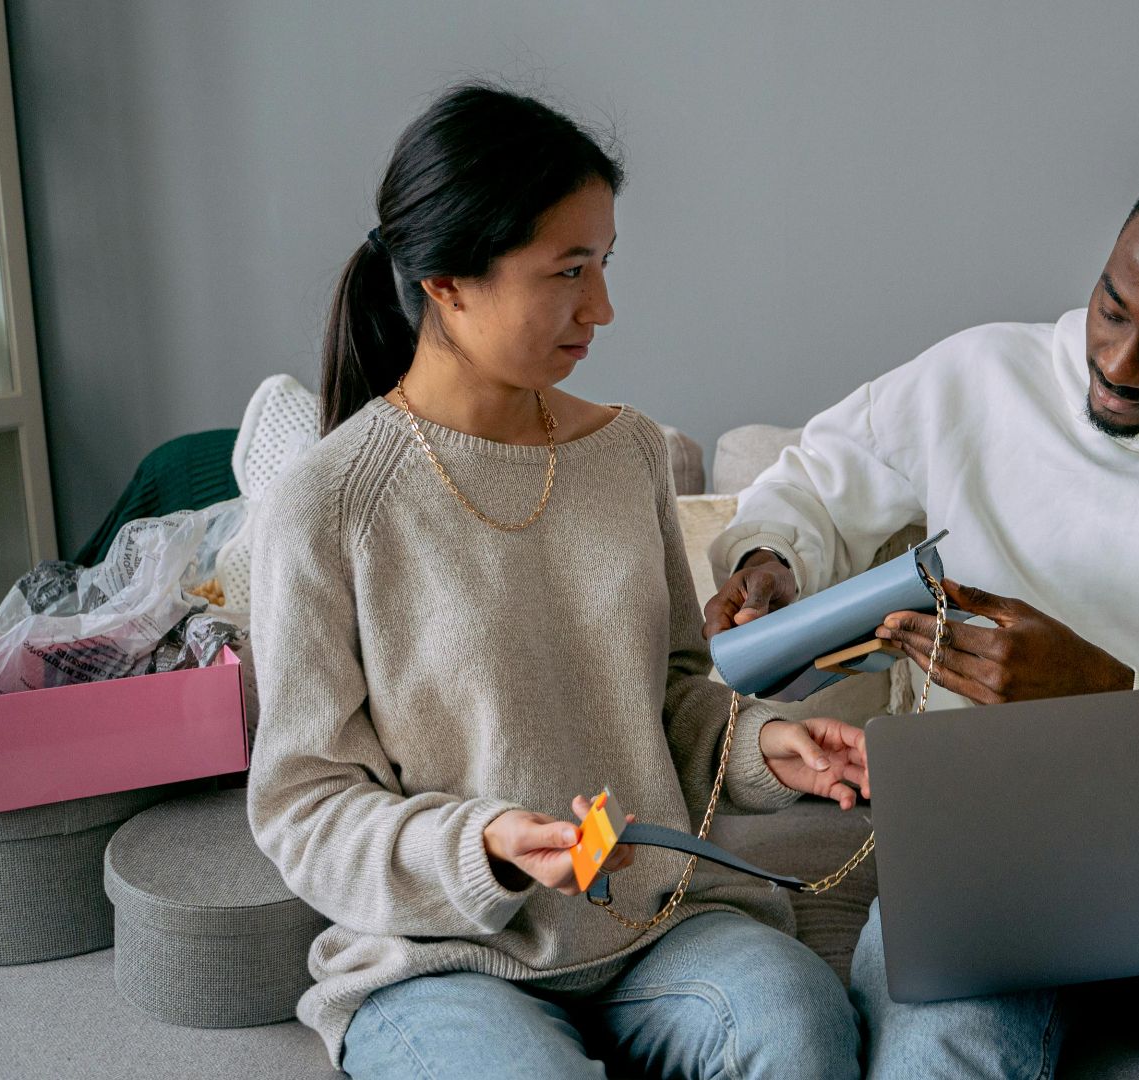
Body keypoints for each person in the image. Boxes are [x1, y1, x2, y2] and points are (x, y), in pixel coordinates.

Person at [705, 128, 1139, 1078]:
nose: (1120, 364)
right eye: (1112, 308)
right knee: (934, 1051)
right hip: (988, 856)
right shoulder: (982, 377)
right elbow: (816, 481)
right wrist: (769, 557)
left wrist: (1107, 690)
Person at [246, 84, 864, 1080]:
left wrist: (767, 745)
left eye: (605, 264)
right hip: (438, 960)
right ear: (449, 282)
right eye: (567, 271)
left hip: (659, 925)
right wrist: (483, 844)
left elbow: (669, 700)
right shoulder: (328, 502)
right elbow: (304, 805)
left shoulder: (629, 454)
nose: (603, 308)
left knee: (797, 1027)